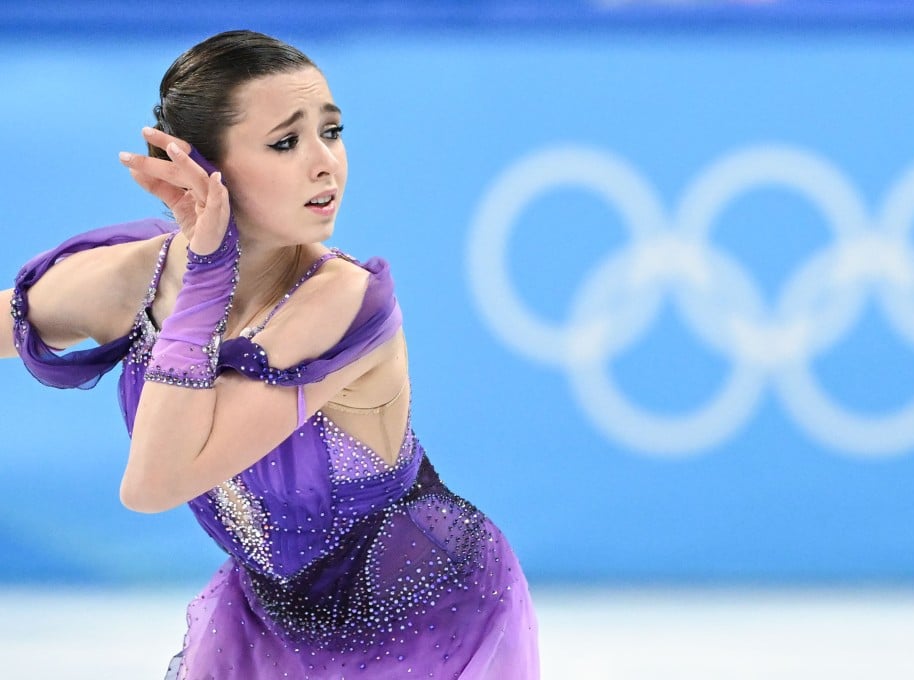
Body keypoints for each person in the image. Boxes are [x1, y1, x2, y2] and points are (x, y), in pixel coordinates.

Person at [0, 29, 539, 679]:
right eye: (287, 142)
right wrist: (198, 272)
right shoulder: (128, 279)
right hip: (268, 616)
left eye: (332, 132)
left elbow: (154, 483)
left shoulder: (340, 301)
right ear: (198, 168)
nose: (325, 163)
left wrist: (205, 279)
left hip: (425, 619)